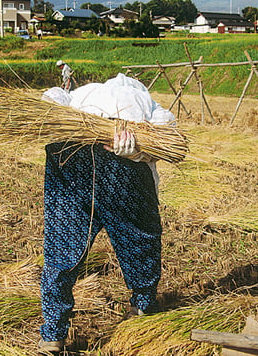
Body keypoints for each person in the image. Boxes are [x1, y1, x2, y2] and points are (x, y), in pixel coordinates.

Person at [38, 73, 175, 354]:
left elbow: (55, 96)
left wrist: (49, 104)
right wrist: (138, 151)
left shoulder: (83, 93)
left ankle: (52, 334)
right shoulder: (149, 102)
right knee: (140, 241)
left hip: (71, 158)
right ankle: (143, 309)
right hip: (122, 165)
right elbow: (168, 135)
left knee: (62, 249)